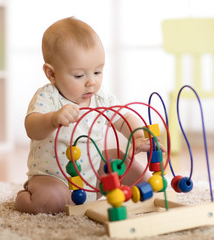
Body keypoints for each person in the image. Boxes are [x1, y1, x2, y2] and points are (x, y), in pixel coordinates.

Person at [15, 17, 164, 214]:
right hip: (55, 178)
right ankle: (24, 198)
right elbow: (31, 128)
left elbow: (123, 118)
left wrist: (136, 136)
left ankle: (124, 190)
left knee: (129, 169)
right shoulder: (48, 97)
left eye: (97, 72)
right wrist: (52, 119)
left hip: (95, 172)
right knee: (50, 201)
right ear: (51, 74)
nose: (91, 82)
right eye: (79, 75)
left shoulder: (101, 98)